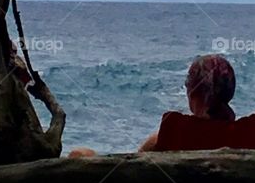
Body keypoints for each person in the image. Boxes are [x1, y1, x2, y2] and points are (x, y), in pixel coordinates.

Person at [68, 54, 237, 158]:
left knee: (79, 154)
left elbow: (131, 170)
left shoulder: (170, 134)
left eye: (188, 83)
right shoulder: (246, 137)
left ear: (194, 91)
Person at [138, 54, 237, 152]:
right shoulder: (245, 132)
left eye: (188, 82)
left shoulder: (173, 128)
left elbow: (141, 158)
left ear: (194, 91)